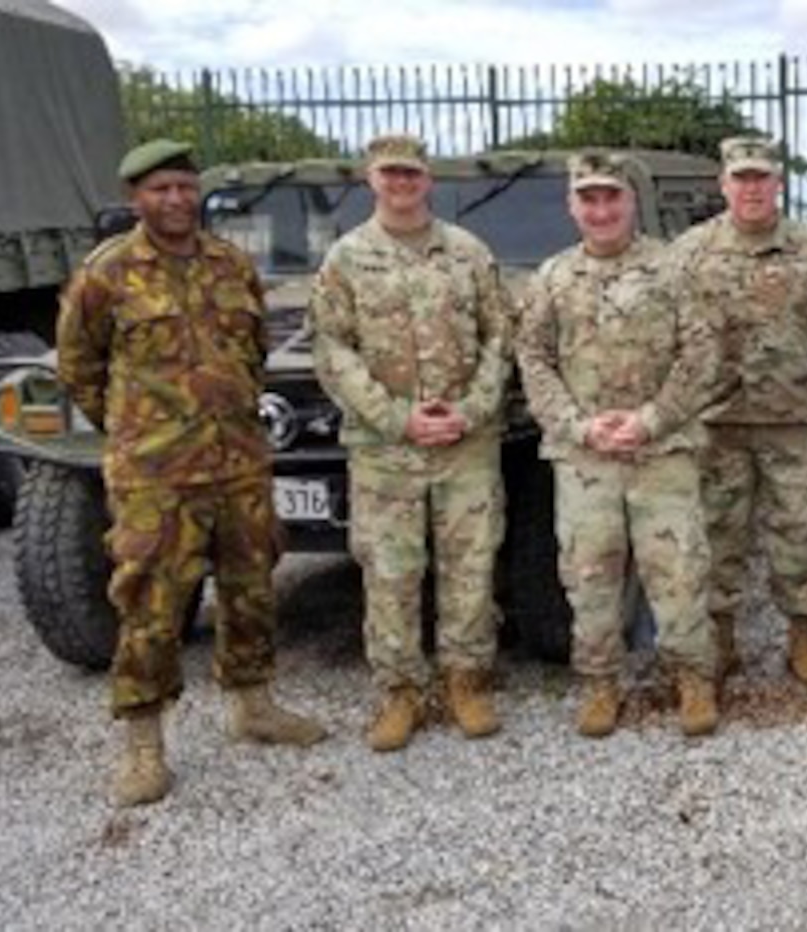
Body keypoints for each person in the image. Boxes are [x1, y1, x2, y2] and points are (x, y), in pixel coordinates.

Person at [56, 138, 328, 808]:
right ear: (135, 199)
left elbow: (252, 354)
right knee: (150, 603)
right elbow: (79, 369)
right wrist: (136, 430)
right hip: (155, 475)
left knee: (252, 588)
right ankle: (145, 744)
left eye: (183, 186)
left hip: (237, 463)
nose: (174, 200)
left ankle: (254, 704)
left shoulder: (232, 265)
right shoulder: (107, 274)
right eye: (159, 190)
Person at [309, 134, 513, 752]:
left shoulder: (468, 253)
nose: (401, 184)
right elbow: (333, 350)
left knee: (470, 567)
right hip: (385, 449)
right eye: (389, 174)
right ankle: (400, 692)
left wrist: (471, 411)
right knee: (392, 573)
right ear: (372, 180)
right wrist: (397, 418)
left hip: (464, 443)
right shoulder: (346, 259)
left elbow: (500, 339)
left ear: (428, 180)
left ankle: (465, 681)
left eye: (411, 174)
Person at [517, 153, 725, 738]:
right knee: (589, 575)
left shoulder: (673, 269)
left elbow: (702, 352)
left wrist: (653, 420)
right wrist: (579, 426)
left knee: (679, 570)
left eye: (612, 197)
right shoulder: (552, 278)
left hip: (660, 453)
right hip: (586, 459)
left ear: (632, 202)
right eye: (589, 198)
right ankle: (600, 683)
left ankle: (691, 678)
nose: (601, 209)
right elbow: (533, 360)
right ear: (572, 206)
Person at [669, 136, 807, 689]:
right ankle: (720, 639)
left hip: (792, 422)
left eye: (761, 178)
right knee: (719, 536)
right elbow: (669, 333)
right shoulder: (690, 253)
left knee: (799, 532)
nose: (751, 188)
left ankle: (802, 636)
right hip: (717, 421)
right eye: (741, 178)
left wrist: (806, 371)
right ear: (723, 184)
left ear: (778, 184)